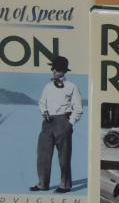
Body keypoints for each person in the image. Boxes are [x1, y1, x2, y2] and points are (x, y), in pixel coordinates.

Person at [30, 55, 83, 194]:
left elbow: (78, 108)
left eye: (57, 69)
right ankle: (42, 184)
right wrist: (44, 111)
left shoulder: (72, 87)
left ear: (63, 71)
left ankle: (65, 185)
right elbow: (42, 102)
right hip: (47, 123)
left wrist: (69, 123)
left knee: (64, 157)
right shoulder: (48, 87)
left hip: (63, 122)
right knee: (43, 155)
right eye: (53, 68)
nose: (53, 71)